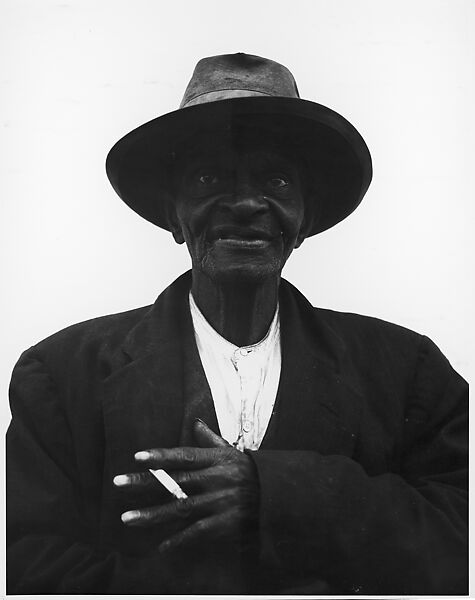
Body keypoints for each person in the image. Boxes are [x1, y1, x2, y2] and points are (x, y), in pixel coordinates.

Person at [7, 53, 468, 595]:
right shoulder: (63, 375)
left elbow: (458, 543)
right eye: (208, 178)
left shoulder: (408, 372)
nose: (247, 203)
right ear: (174, 216)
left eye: (276, 179)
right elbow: (29, 569)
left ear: (306, 219)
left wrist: (274, 492)